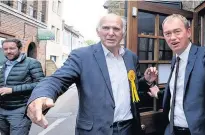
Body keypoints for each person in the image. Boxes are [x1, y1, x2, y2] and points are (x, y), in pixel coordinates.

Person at [26, 13, 158, 135]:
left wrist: (145, 81)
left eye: (116, 29)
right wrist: (42, 94)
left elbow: (130, 89)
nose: (111, 33)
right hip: (96, 130)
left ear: (123, 33)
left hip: (129, 128)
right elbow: (57, 79)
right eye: (106, 28)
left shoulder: (131, 57)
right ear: (98, 31)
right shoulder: (82, 56)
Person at [0, 38, 45, 135]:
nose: (8, 51)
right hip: (2, 109)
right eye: (5, 49)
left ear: (20, 49)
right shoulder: (4, 64)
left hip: (20, 110)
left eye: (12, 48)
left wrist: (12, 90)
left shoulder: (32, 63)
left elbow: (41, 83)